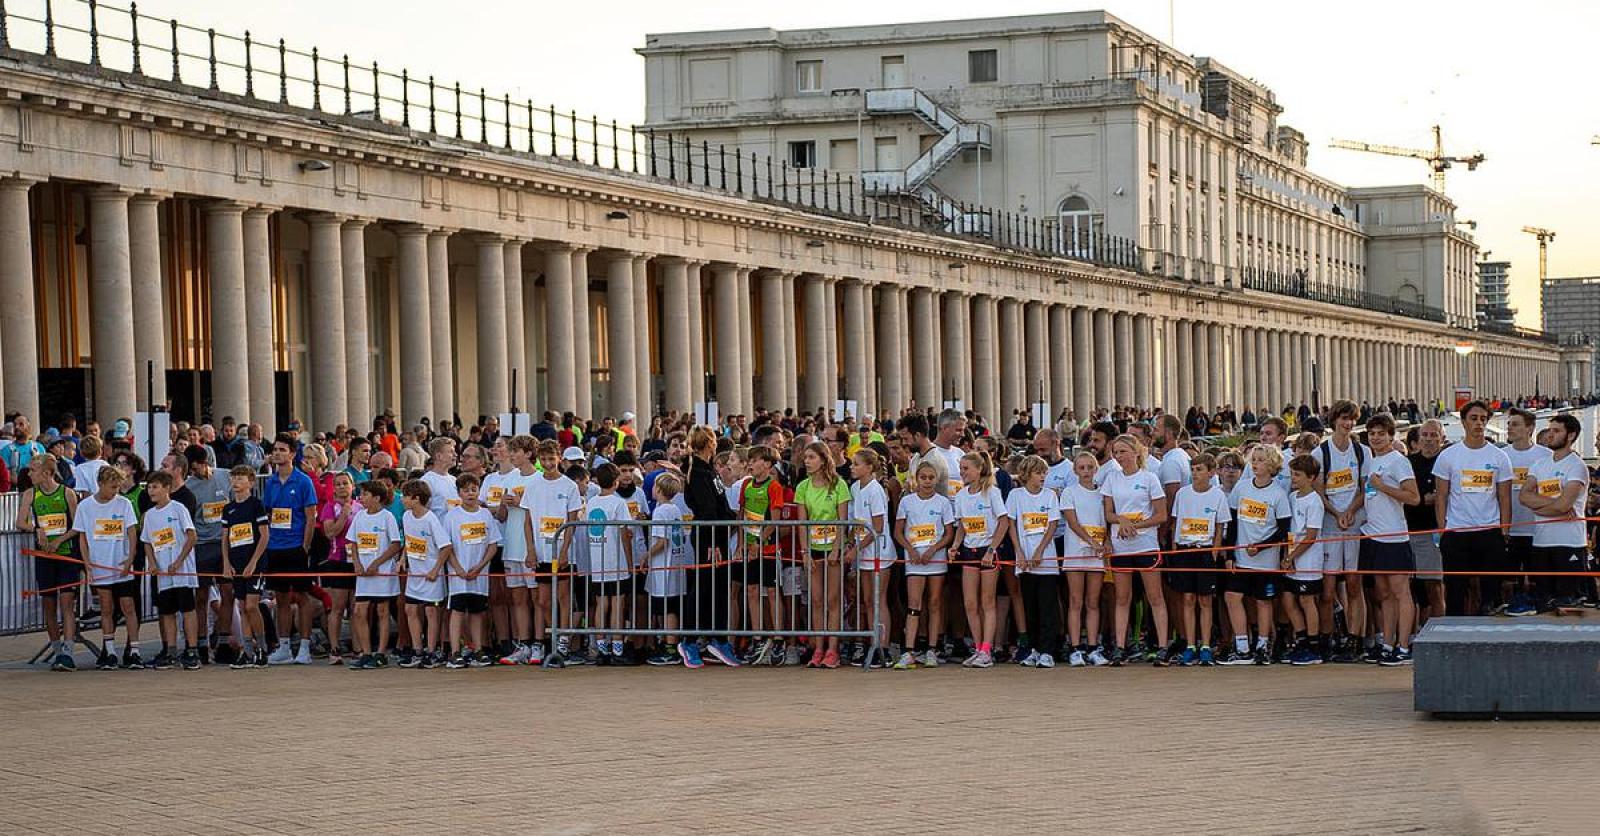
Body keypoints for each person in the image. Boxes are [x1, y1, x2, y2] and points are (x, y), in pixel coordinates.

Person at [1432, 401, 1512, 617]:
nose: (1479, 423)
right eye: (1474, 418)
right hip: (1457, 531)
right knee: (1456, 591)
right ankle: (1454, 637)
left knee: (1490, 594)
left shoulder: (1499, 456)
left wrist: (1504, 531)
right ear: (1464, 421)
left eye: (1483, 419)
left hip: (1490, 531)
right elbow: (1441, 496)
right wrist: (1443, 530)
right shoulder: (1448, 455)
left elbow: (1504, 496)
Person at [1100, 434, 1169, 666]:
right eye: (1116, 452)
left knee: (1155, 597)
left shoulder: (1149, 478)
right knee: (1122, 598)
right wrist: (1121, 520)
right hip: (1121, 546)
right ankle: (1120, 646)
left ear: (1136, 452)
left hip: (1146, 545)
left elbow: (1161, 515)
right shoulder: (1111, 478)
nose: (1119, 457)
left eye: (1123, 452)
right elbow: (1108, 513)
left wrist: (1136, 525)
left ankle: (1162, 646)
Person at [512, 439, 583, 665]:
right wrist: (530, 549)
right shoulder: (533, 487)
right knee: (542, 599)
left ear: (559, 458)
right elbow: (527, 521)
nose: (548, 462)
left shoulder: (569, 486)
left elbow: (572, 522)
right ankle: (553, 635)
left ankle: (563, 641)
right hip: (542, 551)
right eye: (544, 459)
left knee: (563, 597)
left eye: (551, 458)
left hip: (562, 551)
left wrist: (564, 551)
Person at [1310, 400, 1370, 663]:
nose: (1347, 424)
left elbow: (1363, 487)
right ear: (1334, 420)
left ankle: (1356, 639)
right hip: (1329, 524)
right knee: (1328, 587)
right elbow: (1318, 490)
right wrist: (1335, 513)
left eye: (1351, 419)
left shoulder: (1362, 451)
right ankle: (1327, 638)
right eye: (1343, 418)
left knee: (1355, 584)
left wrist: (1350, 512)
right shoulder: (1320, 453)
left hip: (1354, 521)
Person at [1222, 445, 1292, 666]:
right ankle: (1242, 646)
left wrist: (1261, 547)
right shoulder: (1241, 488)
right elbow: (1232, 523)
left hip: (1266, 560)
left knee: (1263, 602)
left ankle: (1263, 646)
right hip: (1241, 557)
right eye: (1254, 460)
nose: (1255, 464)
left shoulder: (1278, 494)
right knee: (1232, 596)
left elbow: (1283, 530)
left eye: (1261, 460)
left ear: (1271, 465)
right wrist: (1230, 552)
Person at [1360, 413, 1420, 665]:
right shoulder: (1371, 461)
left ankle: (1404, 645)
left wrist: (1383, 487)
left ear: (1390, 435)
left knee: (1400, 592)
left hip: (1393, 536)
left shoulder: (1398, 461)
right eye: (1372, 433)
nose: (1375, 438)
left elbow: (1414, 497)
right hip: (1372, 535)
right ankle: (1387, 641)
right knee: (1383, 593)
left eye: (1380, 433)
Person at [1520, 413, 1590, 612]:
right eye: (1550, 430)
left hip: (1569, 542)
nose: (1550, 435)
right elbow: (1524, 496)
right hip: (1542, 541)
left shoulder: (1577, 466)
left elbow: (1564, 506)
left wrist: (1539, 507)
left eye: (1556, 431)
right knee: (1544, 601)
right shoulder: (1539, 465)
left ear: (1570, 435)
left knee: (1569, 603)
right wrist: (1554, 505)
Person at [73, 466, 142, 670]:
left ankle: (135, 651)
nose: (116, 492)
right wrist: (87, 565)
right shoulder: (85, 506)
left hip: (121, 565)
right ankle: (109, 650)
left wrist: (130, 558)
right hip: (100, 565)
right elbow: (82, 537)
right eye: (112, 487)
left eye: (118, 487)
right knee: (106, 607)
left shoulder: (124, 504)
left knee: (128, 606)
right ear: (101, 484)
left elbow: (131, 532)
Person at [17, 453, 81, 670]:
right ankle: (57, 651)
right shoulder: (30, 494)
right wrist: (36, 529)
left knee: (67, 603)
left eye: (32, 470)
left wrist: (59, 540)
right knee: (48, 605)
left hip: (65, 555)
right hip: (44, 557)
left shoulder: (67, 494)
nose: (28, 473)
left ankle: (68, 652)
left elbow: (77, 526)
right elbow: (20, 521)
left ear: (46, 472)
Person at [793, 440, 852, 668]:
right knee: (816, 600)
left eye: (812, 458)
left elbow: (842, 521)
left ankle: (833, 649)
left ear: (823, 459)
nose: (807, 462)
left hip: (833, 549)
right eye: (805, 458)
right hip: (814, 548)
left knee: (833, 599)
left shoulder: (839, 485)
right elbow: (802, 523)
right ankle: (818, 647)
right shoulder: (803, 487)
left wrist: (837, 548)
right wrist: (805, 552)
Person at [1168, 453, 1230, 667]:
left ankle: (1205, 645)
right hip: (1185, 550)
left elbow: (1221, 525)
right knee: (1187, 599)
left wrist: (1215, 551)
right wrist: (1175, 548)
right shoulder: (1182, 494)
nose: (1195, 473)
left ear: (1211, 473)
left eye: (1200, 469)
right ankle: (1190, 645)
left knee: (1205, 600)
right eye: (1193, 469)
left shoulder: (1218, 495)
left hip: (1205, 551)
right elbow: (1176, 522)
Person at [262, 435, 320, 665]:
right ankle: (284, 646)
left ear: (293, 454)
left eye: (282, 450)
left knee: (302, 597)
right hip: (275, 546)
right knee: (281, 597)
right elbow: (268, 513)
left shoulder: (303, 481)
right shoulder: (270, 482)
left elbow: (310, 516)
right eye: (275, 450)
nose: (277, 454)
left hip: (296, 546)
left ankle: (304, 647)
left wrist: (305, 546)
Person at [893, 460, 955, 669]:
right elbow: (898, 531)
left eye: (931, 478)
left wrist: (933, 549)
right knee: (914, 604)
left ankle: (932, 648)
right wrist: (911, 550)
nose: (927, 482)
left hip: (935, 558)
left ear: (936, 479)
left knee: (935, 602)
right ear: (916, 479)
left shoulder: (943, 503)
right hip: (914, 560)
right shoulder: (907, 502)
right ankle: (909, 650)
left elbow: (949, 533)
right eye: (923, 478)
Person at [953, 450, 1010, 668]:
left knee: (988, 601)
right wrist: (956, 546)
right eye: (961, 469)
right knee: (970, 602)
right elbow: (962, 526)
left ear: (979, 469)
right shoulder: (960, 495)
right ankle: (977, 648)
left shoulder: (992, 492)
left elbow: (1003, 522)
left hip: (988, 550)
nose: (963, 473)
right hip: (969, 550)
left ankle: (987, 649)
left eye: (966, 469)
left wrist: (992, 549)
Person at [735, 444, 790, 666]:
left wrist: (759, 541)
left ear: (767, 464)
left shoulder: (774, 486)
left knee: (772, 591)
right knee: (751, 590)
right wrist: (741, 543)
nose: (751, 464)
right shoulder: (746, 485)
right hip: (750, 548)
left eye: (755, 460)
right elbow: (741, 515)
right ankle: (757, 636)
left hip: (767, 548)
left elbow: (775, 520)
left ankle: (778, 638)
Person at [141, 471, 201, 671]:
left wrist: (178, 561)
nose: (151, 491)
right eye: (149, 487)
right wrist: (152, 564)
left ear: (167, 488)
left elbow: (191, 536)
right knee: (167, 612)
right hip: (163, 574)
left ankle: (192, 649)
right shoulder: (149, 515)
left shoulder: (178, 509)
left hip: (182, 571)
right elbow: (147, 542)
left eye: (155, 487)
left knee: (187, 610)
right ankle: (170, 650)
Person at [1006, 455, 1060, 669]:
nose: (1042, 477)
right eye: (1038, 473)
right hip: (1025, 562)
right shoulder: (1015, 495)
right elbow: (1011, 524)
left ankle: (1048, 651)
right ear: (1027, 475)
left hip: (1045, 560)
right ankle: (1034, 649)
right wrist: (1019, 552)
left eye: (1044, 473)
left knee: (1047, 607)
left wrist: (1039, 551)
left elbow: (1052, 526)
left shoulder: (1050, 496)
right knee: (1030, 608)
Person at [443, 472, 501, 668]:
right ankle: (455, 652)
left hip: (479, 576)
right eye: (466, 490)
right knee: (458, 611)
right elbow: (447, 546)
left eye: (473, 489)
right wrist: (458, 569)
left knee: (477, 613)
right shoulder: (452, 516)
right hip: (458, 576)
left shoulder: (485, 515)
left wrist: (479, 567)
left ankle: (478, 649)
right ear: (459, 493)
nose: (470, 493)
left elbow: (493, 545)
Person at [347, 481, 404, 670]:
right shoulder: (359, 517)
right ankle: (366, 652)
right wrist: (356, 562)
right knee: (359, 611)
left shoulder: (387, 517)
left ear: (377, 498)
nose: (361, 498)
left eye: (365, 494)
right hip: (364, 574)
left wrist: (376, 563)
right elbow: (353, 542)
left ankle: (380, 653)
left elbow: (396, 544)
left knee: (382, 612)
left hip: (382, 574)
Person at [1059, 451, 1108, 667]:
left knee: (1093, 602)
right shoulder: (1069, 492)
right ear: (1075, 470)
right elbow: (1072, 522)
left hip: (1096, 555)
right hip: (1076, 552)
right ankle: (1075, 647)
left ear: (1096, 469)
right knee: (1075, 601)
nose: (1086, 472)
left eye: (1090, 467)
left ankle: (1093, 647)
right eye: (1082, 468)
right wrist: (1090, 541)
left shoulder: (1103, 494)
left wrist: (1104, 543)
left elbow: (1107, 520)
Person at [183, 444, 231, 664]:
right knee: (200, 596)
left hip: (225, 543)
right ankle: (201, 643)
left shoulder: (226, 477)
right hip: (202, 545)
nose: (199, 471)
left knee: (227, 592)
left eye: (201, 466)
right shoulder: (190, 487)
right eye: (194, 469)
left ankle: (224, 641)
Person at [845, 448, 893, 668]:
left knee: (878, 599)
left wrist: (857, 548)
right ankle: (870, 642)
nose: (852, 467)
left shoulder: (876, 490)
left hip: (878, 551)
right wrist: (851, 542)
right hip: (863, 549)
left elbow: (878, 526)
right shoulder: (855, 488)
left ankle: (883, 647)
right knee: (866, 600)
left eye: (856, 464)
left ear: (869, 467)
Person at [584, 463, 636, 665]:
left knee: (601, 604)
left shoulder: (591, 503)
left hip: (598, 561)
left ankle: (601, 647)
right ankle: (617, 647)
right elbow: (624, 533)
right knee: (617, 603)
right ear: (616, 482)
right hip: (615, 560)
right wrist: (630, 562)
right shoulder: (618, 503)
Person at [220, 465, 271, 668]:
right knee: (241, 607)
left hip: (254, 563)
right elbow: (225, 538)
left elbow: (265, 536)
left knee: (251, 605)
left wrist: (253, 563)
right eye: (234, 478)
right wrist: (226, 562)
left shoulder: (256, 505)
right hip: (236, 563)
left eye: (241, 479)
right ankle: (247, 651)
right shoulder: (228, 508)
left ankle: (262, 648)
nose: (236, 482)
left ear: (251, 482)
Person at [398, 480, 451, 668]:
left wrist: (435, 569)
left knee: (431, 612)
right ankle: (417, 650)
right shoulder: (406, 517)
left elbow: (446, 547)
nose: (402, 499)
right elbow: (409, 540)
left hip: (431, 577)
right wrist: (403, 558)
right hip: (415, 575)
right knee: (410, 609)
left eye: (405, 496)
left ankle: (432, 651)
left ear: (416, 498)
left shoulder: (430, 519)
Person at [1499, 408, 1546, 617]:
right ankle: (1513, 602)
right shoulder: (1502, 456)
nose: (1510, 428)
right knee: (1510, 575)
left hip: (1536, 527)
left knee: (1537, 574)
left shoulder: (1545, 456)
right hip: (1510, 526)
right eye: (1509, 424)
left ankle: (1538, 603)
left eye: (1515, 424)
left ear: (1530, 428)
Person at [1280, 455, 1325, 665]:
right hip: (1293, 555)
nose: (1293, 479)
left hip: (1308, 558)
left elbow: (1310, 536)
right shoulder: (1292, 497)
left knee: (1307, 600)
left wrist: (1291, 556)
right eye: (1292, 474)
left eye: (1297, 475)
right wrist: (1288, 555)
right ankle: (1302, 639)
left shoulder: (1315, 501)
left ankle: (1314, 646)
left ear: (1311, 477)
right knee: (1288, 600)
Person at [643, 473, 690, 667]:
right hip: (674, 564)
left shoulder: (661, 511)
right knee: (669, 606)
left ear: (659, 490)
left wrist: (647, 555)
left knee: (668, 607)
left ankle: (671, 648)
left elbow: (662, 541)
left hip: (665, 565)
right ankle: (669, 643)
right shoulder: (675, 509)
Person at [1405, 420, 1448, 625]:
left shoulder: (1446, 461)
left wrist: (1436, 497)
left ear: (1442, 438)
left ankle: (1439, 630)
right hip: (1406, 532)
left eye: (1433, 435)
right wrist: (1425, 498)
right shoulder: (1407, 462)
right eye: (1425, 435)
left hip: (1433, 533)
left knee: (1434, 586)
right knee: (1409, 589)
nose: (1429, 440)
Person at [315, 472, 358, 663]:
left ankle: (359, 649)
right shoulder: (329, 508)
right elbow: (330, 532)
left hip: (357, 561)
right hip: (338, 559)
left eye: (345, 483)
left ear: (352, 486)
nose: (341, 487)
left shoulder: (361, 506)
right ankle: (334, 649)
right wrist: (344, 516)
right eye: (338, 484)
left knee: (357, 608)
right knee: (338, 607)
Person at [420, 438, 460, 517]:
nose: (456, 455)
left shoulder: (454, 480)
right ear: (439, 456)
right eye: (451, 452)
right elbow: (422, 512)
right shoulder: (426, 481)